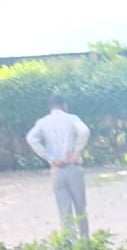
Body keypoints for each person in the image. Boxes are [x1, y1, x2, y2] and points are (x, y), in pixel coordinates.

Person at [26, 93, 91, 238]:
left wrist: (48, 156)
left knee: (64, 209)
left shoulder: (43, 122)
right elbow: (85, 131)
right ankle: (85, 240)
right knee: (80, 206)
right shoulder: (72, 118)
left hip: (56, 168)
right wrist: (76, 152)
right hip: (73, 166)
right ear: (64, 105)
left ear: (50, 107)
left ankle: (69, 241)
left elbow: (31, 138)